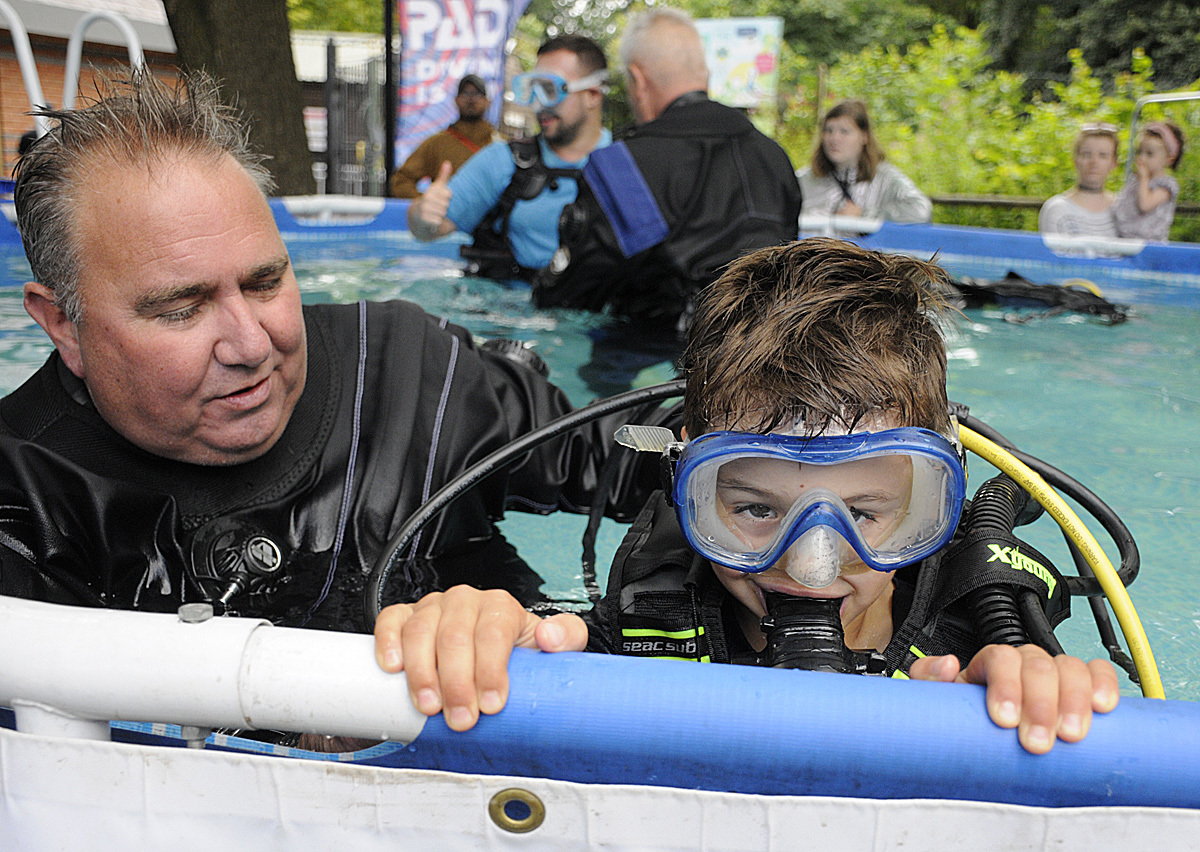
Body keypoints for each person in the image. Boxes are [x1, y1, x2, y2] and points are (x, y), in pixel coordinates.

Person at [375, 239, 1120, 755]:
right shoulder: (646, 628)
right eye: (758, 508)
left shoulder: (980, 632)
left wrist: (1036, 697)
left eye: (863, 513)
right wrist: (483, 633)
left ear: (934, 503)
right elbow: (523, 666)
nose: (813, 565)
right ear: (683, 487)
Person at [0, 69, 653, 634]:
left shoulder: (410, 370)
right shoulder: (24, 501)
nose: (253, 345)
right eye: (182, 309)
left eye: (266, 282)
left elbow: (632, 461)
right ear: (61, 324)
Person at [535, 7, 801, 396]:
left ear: (638, 80)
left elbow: (577, 293)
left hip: (657, 369)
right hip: (769, 362)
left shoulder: (627, 165)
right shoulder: (773, 156)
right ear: (704, 72)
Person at [407, 35, 611, 280]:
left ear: (592, 94)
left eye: (550, 89)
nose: (538, 105)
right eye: (532, 89)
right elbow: (427, 230)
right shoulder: (503, 160)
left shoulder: (630, 165)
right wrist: (422, 215)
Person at [797, 99, 931, 223]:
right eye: (829, 130)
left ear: (864, 136)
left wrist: (864, 214)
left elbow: (921, 210)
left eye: (844, 131)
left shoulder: (885, 178)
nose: (834, 138)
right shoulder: (804, 180)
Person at [389, 74, 496, 199]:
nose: (471, 99)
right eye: (465, 93)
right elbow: (401, 180)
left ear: (487, 101)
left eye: (477, 94)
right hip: (448, 217)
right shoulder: (437, 143)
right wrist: (426, 204)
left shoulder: (499, 144)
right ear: (456, 100)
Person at [1038, 123, 1120, 237]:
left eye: (1103, 155)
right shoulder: (1056, 209)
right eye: (1087, 154)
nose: (1094, 162)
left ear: (1114, 162)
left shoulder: (1123, 210)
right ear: (1075, 159)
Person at [1112, 121, 1184, 242]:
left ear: (1169, 158)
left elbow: (1145, 205)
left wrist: (1144, 179)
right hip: (1124, 240)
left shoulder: (1166, 186)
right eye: (1139, 152)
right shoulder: (1136, 181)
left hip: (1148, 244)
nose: (1141, 158)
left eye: (1149, 154)